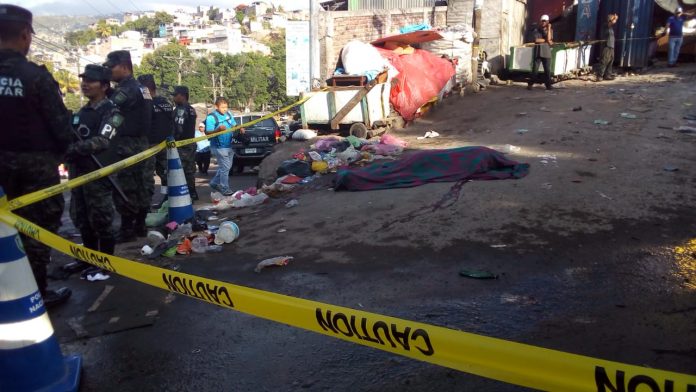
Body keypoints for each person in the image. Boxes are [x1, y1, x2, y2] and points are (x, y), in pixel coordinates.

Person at [0, 4, 73, 307]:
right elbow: (62, 128)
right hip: (35, 170)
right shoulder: (36, 78)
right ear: (25, 34)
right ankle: (35, 295)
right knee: (37, 231)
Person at [62, 64, 121, 280]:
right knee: (82, 218)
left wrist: (72, 149)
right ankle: (88, 259)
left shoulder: (112, 112)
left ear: (104, 86)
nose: (85, 84)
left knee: (102, 219)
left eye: (91, 80)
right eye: (83, 80)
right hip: (78, 174)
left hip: (99, 174)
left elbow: (103, 141)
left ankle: (105, 263)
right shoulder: (82, 112)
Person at [103, 50, 152, 243]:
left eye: (110, 67)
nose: (108, 71)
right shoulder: (142, 88)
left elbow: (109, 107)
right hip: (142, 142)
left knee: (126, 187)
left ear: (124, 67)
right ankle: (140, 225)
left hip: (127, 144)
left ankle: (127, 229)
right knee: (142, 186)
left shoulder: (127, 89)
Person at [138, 74, 173, 208]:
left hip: (151, 146)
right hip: (166, 144)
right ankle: (166, 199)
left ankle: (146, 204)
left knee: (147, 176)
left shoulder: (147, 104)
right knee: (165, 174)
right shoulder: (166, 103)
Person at [205, 97, 243, 196]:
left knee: (226, 167)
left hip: (229, 145)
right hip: (218, 147)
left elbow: (234, 124)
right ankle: (224, 188)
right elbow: (208, 133)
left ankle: (214, 183)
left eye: (226, 107)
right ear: (216, 107)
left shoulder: (229, 114)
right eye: (222, 107)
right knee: (225, 167)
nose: (225, 109)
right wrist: (218, 130)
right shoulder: (211, 117)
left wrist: (239, 129)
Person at [172, 86, 198, 200]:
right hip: (190, 143)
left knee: (180, 171)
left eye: (175, 95)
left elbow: (179, 128)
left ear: (182, 95)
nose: (173, 97)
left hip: (181, 145)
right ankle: (192, 193)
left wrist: (174, 140)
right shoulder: (191, 109)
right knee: (190, 170)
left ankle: (184, 195)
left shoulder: (181, 109)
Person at [527, 14, 553, 90]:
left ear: (548, 22)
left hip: (546, 52)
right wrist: (547, 41)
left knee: (547, 70)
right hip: (538, 52)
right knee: (535, 70)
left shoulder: (550, 30)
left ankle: (548, 85)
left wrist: (548, 29)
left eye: (545, 21)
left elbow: (550, 38)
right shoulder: (536, 29)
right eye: (542, 21)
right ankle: (530, 84)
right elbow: (536, 40)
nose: (543, 22)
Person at [596, 13, 618, 81]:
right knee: (604, 61)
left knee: (610, 61)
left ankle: (607, 75)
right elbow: (610, 23)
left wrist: (615, 19)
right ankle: (599, 76)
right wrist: (614, 18)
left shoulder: (611, 27)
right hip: (606, 46)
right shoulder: (606, 25)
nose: (615, 21)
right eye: (613, 20)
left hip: (611, 46)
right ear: (610, 20)